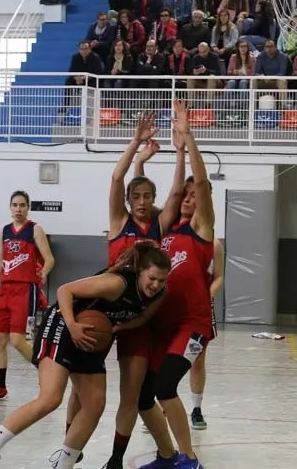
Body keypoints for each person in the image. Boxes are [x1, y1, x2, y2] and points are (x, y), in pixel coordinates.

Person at [0, 241, 172, 469]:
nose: (155, 284)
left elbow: (143, 318)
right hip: (62, 324)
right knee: (50, 398)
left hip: (89, 337)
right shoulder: (117, 283)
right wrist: (73, 325)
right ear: (140, 272)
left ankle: (64, 464)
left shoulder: (159, 293)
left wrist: (120, 327)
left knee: (95, 405)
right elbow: (65, 290)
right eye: (151, 278)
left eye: (161, 280)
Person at [67, 110, 185, 469]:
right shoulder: (119, 222)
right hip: (101, 312)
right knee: (80, 389)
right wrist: (135, 143)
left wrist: (179, 150)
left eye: (150, 195)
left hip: (136, 318)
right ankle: (68, 447)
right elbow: (117, 176)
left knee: (130, 394)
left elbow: (178, 191)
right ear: (131, 199)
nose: (145, 201)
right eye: (139, 196)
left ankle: (116, 460)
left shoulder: (159, 227)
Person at [137, 99, 215, 469]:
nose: (188, 199)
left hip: (192, 326)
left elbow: (200, 181)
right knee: (146, 393)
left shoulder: (203, 231)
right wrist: (174, 151)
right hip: (162, 326)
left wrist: (190, 136)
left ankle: (189, 457)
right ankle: (167, 455)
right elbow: (159, 196)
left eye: (194, 196)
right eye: (185, 196)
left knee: (166, 386)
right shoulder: (168, 230)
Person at [0, 191, 56, 402]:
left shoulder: (35, 229)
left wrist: (44, 272)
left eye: (22, 205)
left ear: (28, 207)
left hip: (25, 288)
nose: (18, 209)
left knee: (17, 340)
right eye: (15, 205)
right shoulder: (4, 231)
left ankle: (45, 368)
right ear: (10, 207)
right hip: (5, 289)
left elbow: (50, 258)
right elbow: (1, 259)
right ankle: (0, 387)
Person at [189, 238, 224, 430]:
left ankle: (196, 409)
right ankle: (162, 405)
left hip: (200, 309)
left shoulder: (214, 244)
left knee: (197, 360)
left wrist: (204, 298)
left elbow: (219, 277)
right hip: (175, 305)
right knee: (166, 359)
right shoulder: (172, 235)